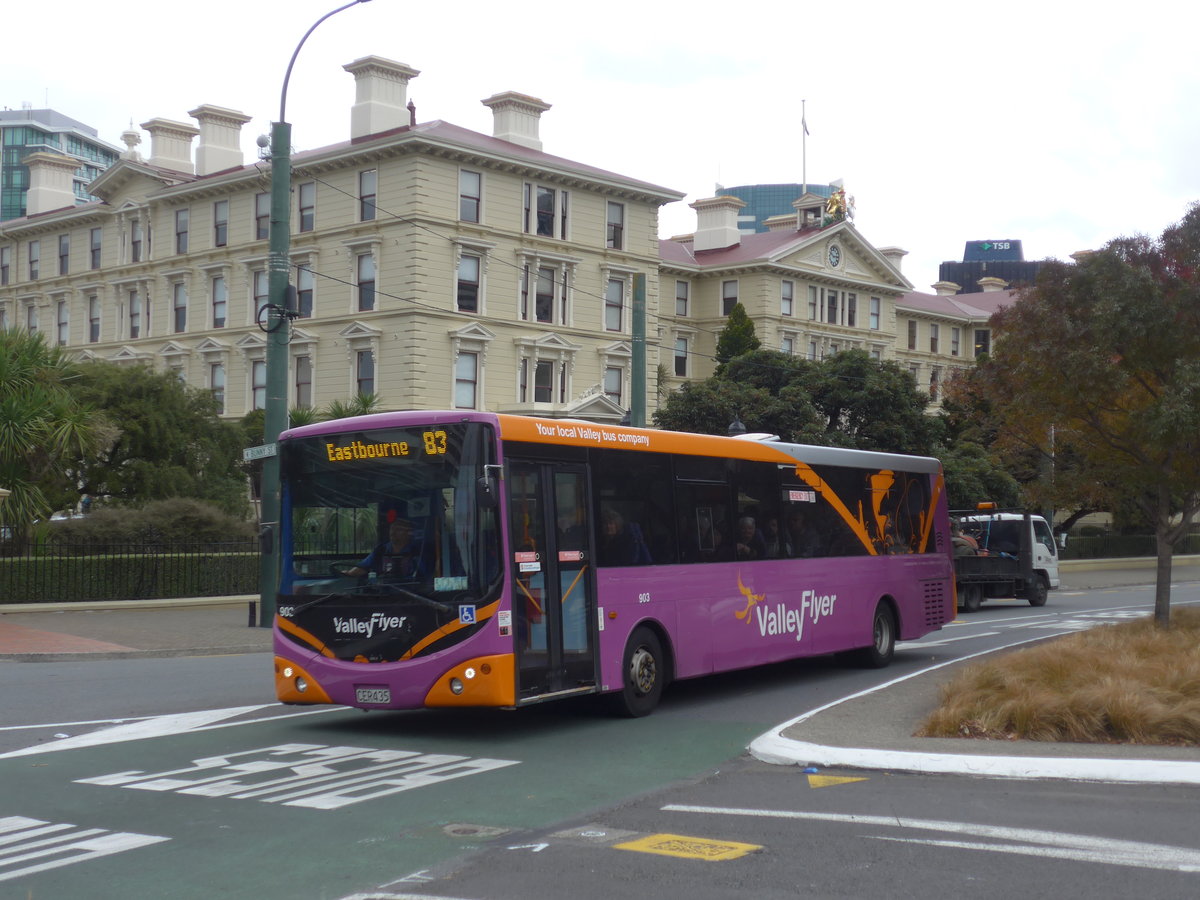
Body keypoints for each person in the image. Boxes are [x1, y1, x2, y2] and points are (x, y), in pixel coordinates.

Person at [350, 517, 426, 579]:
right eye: (392, 528)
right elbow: (362, 567)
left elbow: (425, 576)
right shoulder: (381, 550)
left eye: (398, 529)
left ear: (409, 533)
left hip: (410, 594)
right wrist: (347, 573)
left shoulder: (417, 552)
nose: (393, 532)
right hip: (383, 593)